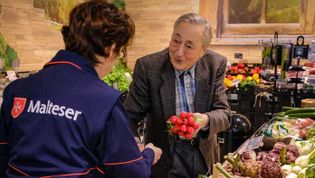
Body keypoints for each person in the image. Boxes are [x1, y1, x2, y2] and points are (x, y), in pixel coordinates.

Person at [0, 0, 162, 177]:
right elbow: (131, 172)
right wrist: (149, 154)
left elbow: (3, 155)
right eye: (121, 51)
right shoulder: (105, 101)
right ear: (110, 48)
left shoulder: (16, 90)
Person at [124, 13, 230, 178]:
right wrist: (137, 144)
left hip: (203, 155)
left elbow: (224, 114)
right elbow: (129, 116)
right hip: (165, 159)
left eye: (189, 46)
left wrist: (204, 120)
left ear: (203, 50)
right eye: (176, 41)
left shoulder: (215, 64)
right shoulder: (148, 67)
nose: (179, 52)